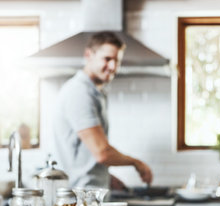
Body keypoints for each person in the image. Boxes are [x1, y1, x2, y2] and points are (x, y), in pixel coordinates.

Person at [53, 31, 153, 189]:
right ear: (88, 55)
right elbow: (102, 153)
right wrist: (136, 163)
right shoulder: (80, 93)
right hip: (81, 199)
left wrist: (106, 177)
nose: (112, 67)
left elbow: (87, 155)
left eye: (117, 61)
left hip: (90, 194)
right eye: (107, 59)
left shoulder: (94, 93)